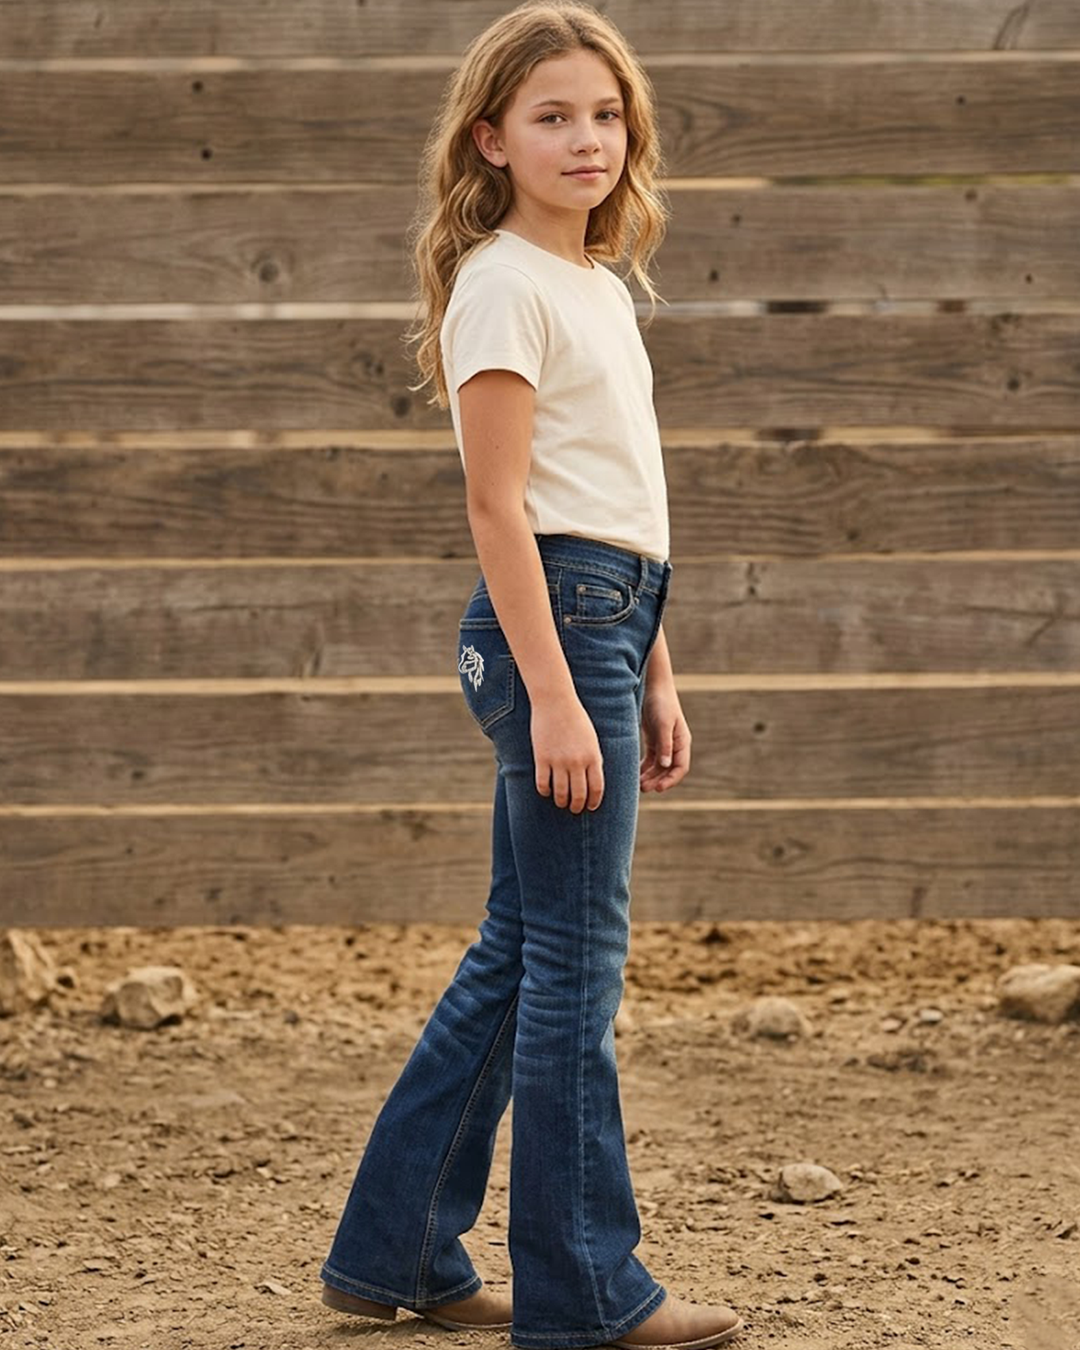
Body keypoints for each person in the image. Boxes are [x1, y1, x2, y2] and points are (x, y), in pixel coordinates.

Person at [318, 4, 743, 1347]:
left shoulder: (596, 285)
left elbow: (615, 501)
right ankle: (584, 1289)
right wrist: (561, 694)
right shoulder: (503, 283)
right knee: (575, 966)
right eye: (552, 116)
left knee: (523, 951)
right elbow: (501, 508)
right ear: (491, 139)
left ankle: (392, 1249)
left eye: (606, 114)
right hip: (552, 630)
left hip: (607, 616)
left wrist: (655, 668)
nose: (586, 139)